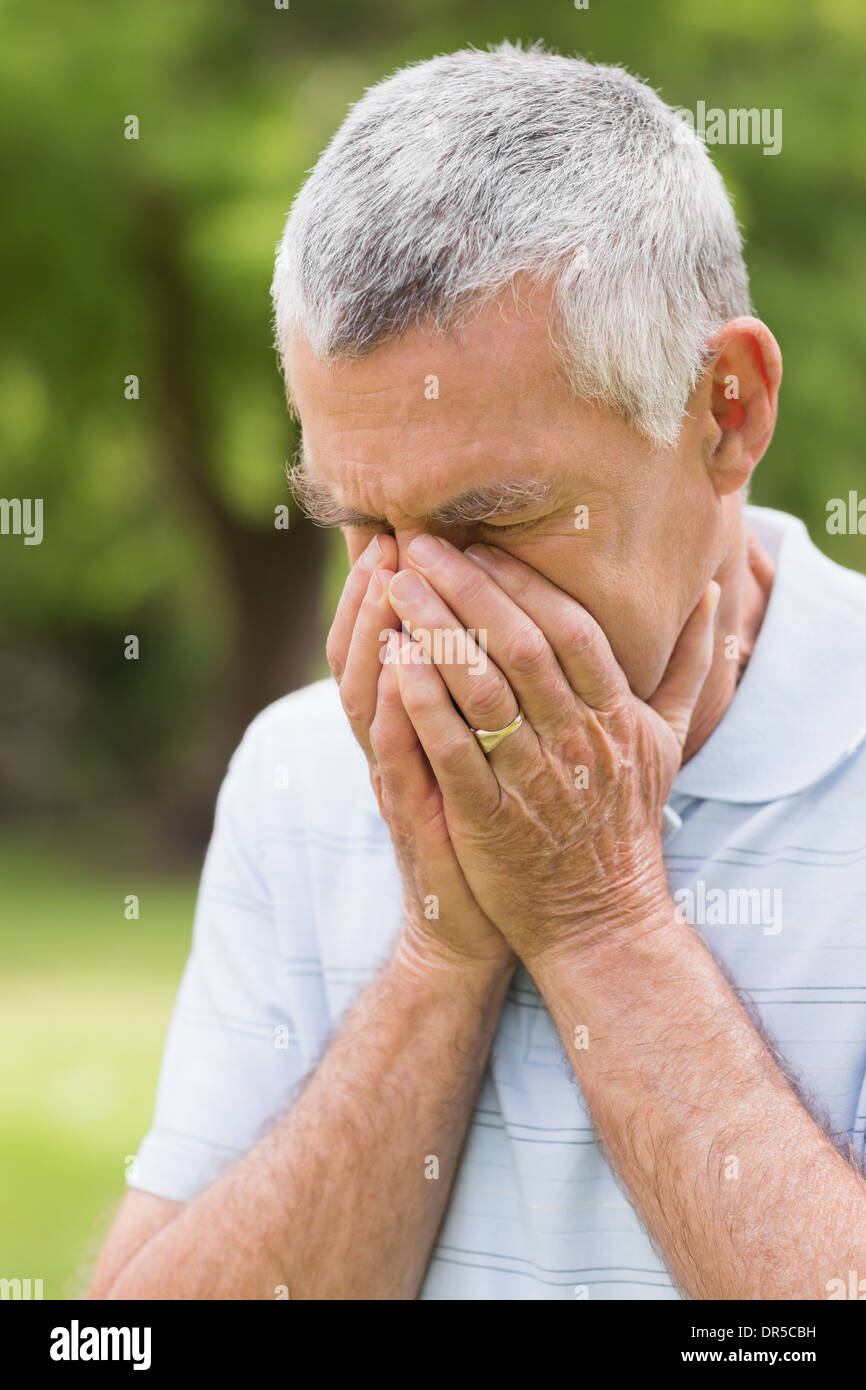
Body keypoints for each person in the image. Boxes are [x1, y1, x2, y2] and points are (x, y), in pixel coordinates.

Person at [91, 43, 866, 1300]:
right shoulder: (298, 773)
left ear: (722, 409)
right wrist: (441, 957)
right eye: (359, 525)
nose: (413, 623)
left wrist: (597, 922)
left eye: (486, 525)